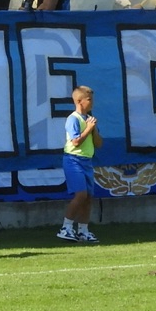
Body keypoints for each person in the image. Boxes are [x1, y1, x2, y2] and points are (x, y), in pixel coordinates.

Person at [58, 84, 102, 245]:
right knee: (81, 194)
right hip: (73, 160)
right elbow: (76, 141)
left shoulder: (89, 120)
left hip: (87, 161)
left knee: (89, 197)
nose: (92, 103)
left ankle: (83, 231)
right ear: (79, 101)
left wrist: (94, 130)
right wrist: (88, 128)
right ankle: (66, 228)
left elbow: (98, 144)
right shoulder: (73, 119)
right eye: (89, 100)